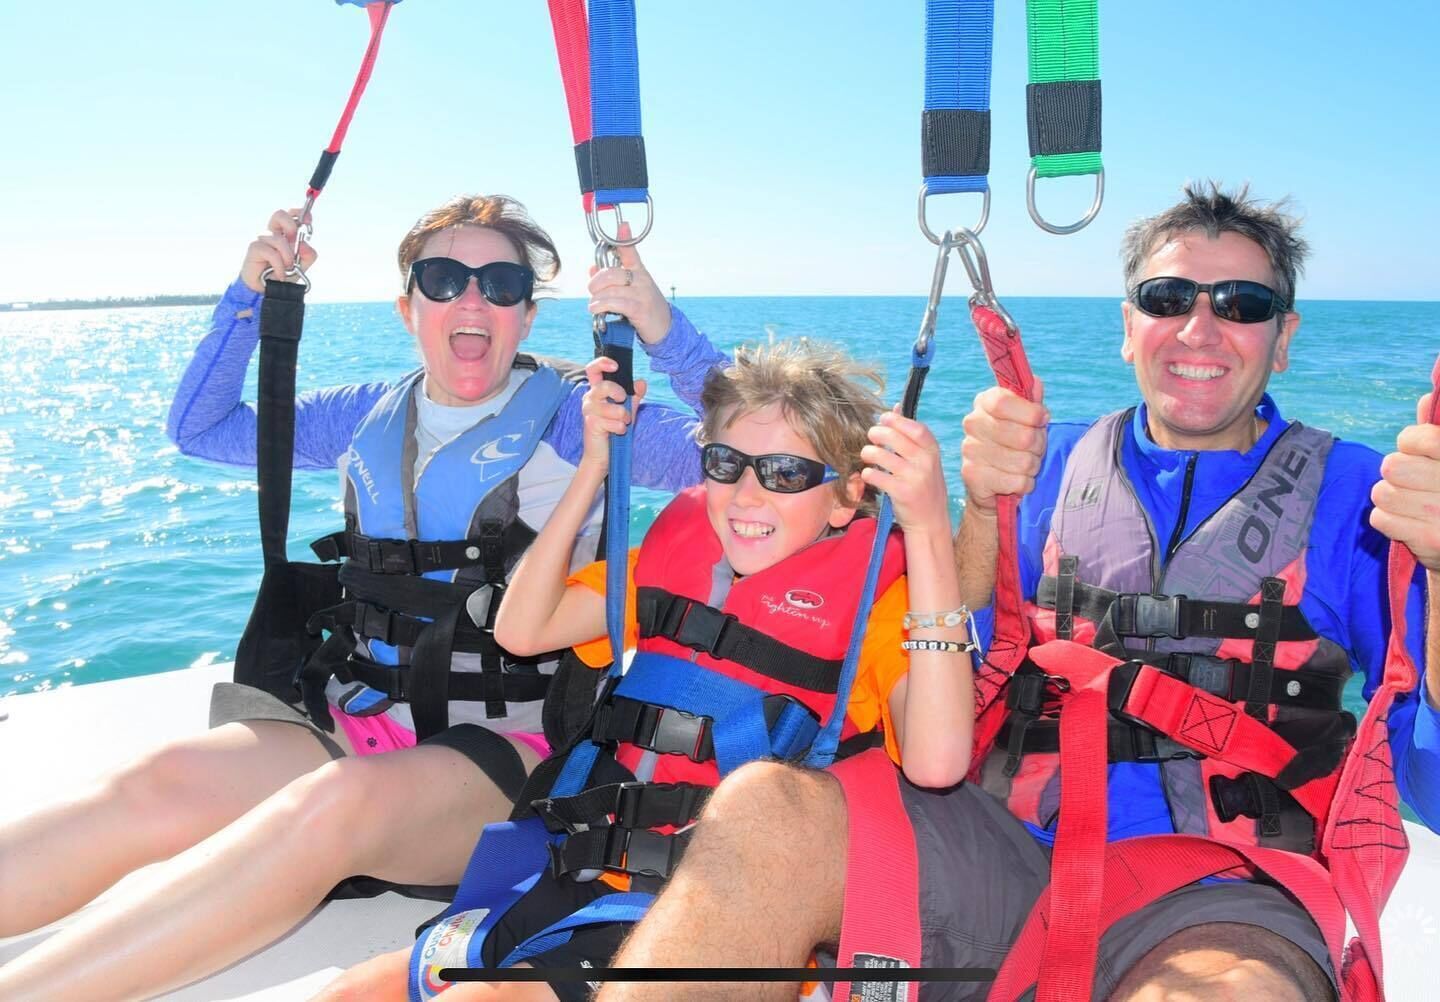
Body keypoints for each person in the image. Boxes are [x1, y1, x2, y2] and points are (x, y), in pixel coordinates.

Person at [588, 184, 1440, 1002]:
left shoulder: (1362, 498)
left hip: (1219, 891)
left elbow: (1428, 779)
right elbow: (944, 666)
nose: (1200, 327)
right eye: (1169, 295)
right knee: (766, 809)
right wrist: (981, 513)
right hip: (1000, 848)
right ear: (1128, 326)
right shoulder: (1046, 466)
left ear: (1283, 338)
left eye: (1241, 304)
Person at [0, 194, 727, 1001]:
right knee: (158, 784)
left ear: (527, 313)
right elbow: (200, 430)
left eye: (500, 282)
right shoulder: (362, 414)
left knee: (331, 806)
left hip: (512, 762)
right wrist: (250, 300)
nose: (472, 299)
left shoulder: (581, 418)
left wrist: (660, 328)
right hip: (360, 721)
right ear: (407, 306)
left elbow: (762, 452)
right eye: (444, 278)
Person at [314, 337, 976, 1000]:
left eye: (784, 473)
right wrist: (592, 470)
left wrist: (923, 529)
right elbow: (522, 629)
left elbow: (937, 763)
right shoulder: (668, 567)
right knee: (352, 991)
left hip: (704, 914)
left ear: (844, 497)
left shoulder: (879, 611)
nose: (747, 495)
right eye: (726, 464)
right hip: (582, 873)